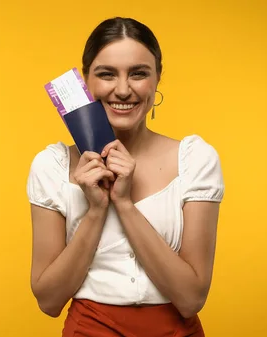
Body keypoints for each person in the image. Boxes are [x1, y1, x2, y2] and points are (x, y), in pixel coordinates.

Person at [26, 17, 225, 336]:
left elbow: (190, 299)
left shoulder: (195, 160)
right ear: (86, 81)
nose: (122, 89)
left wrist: (124, 202)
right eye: (106, 74)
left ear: (158, 78)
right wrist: (95, 210)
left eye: (138, 73)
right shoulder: (52, 166)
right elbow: (49, 301)